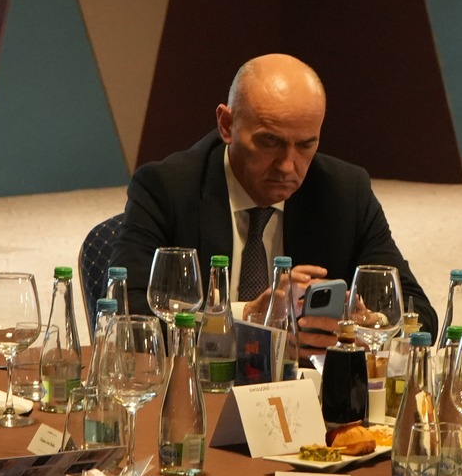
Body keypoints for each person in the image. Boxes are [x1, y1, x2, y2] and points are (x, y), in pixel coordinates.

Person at [114, 54, 435, 353]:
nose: (287, 166)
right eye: (270, 142)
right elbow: (125, 316)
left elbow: (418, 314)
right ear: (226, 125)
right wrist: (247, 318)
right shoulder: (166, 187)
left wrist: (369, 324)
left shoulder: (345, 192)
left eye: (305, 145)